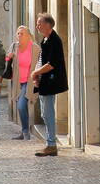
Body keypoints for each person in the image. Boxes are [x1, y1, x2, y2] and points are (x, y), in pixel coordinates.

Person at [31, 13, 68, 157]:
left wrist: (35, 73)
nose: (37, 26)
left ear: (48, 25)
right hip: (44, 81)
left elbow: (51, 64)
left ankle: (51, 145)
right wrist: (37, 75)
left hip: (50, 82)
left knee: (48, 113)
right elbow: (43, 60)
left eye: (39, 23)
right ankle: (49, 143)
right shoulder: (45, 39)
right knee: (45, 114)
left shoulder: (54, 40)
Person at [6, 24, 40, 141]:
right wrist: (9, 58)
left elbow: (39, 63)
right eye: (18, 33)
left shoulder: (35, 48)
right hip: (17, 82)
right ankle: (24, 131)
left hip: (29, 81)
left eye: (22, 33)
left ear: (28, 36)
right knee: (20, 106)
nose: (19, 35)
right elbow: (7, 62)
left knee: (21, 105)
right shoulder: (14, 46)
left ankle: (25, 132)